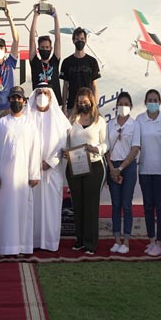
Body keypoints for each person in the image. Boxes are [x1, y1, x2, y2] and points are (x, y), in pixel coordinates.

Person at [0, 86, 41, 257]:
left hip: (23, 177)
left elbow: (35, 150)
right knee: (4, 211)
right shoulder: (1, 123)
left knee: (23, 211)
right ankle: (4, 247)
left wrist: (34, 174)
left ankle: (22, 247)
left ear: (24, 101)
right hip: (4, 178)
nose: (16, 101)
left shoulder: (30, 124)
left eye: (19, 98)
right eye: (13, 98)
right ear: (9, 100)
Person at [27, 82, 70, 252]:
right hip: (32, 171)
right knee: (32, 207)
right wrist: (34, 163)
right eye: (39, 93)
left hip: (52, 171)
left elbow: (63, 144)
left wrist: (50, 162)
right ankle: (32, 241)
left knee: (51, 206)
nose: (42, 96)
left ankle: (50, 242)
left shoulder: (59, 119)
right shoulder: (27, 117)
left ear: (51, 96)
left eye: (46, 93)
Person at [64, 87, 107, 255]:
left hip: (94, 167)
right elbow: (65, 142)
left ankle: (90, 243)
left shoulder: (99, 121)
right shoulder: (71, 120)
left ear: (92, 102)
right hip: (75, 167)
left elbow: (106, 143)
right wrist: (65, 152)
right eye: (80, 102)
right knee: (78, 204)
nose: (83, 104)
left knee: (91, 206)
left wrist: (97, 149)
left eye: (86, 101)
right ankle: (80, 240)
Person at [135, 89, 161, 257]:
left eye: (155, 100)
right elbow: (136, 144)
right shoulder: (139, 120)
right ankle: (151, 241)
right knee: (148, 207)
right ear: (145, 102)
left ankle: (160, 243)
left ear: (160, 102)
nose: (153, 103)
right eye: (150, 100)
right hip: (144, 170)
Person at [106, 91, 141, 254]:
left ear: (131, 107)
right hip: (113, 167)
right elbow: (106, 148)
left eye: (126, 104)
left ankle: (126, 241)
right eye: (120, 104)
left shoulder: (135, 125)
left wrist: (121, 168)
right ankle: (117, 240)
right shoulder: (110, 125)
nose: (123, 107)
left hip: (128, 167)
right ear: (116, 106)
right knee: (116, 204)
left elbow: (135, 149)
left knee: (126, 204)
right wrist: (111, 167)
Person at [59, 27, 101, 114]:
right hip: (72, 106)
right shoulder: (66, 62)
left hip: (88, 106)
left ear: (85, 40)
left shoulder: (92, 61)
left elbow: (94, 85)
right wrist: (64, 106)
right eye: (77, 39)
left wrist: (95, 105)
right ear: (73, 41)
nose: (80, 41)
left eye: (82, 39)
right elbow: (65, 86)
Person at [29, 5, 63, 108]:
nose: (45, 49)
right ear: (38, 49)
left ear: (51, 48)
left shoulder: (54, 61)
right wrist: (35, 16)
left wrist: (55, 17)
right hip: (38, 104)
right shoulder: (35, 62)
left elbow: (58, 39)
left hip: (55, 104)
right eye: (42, 47)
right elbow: (32, 40)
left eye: (47, 47)